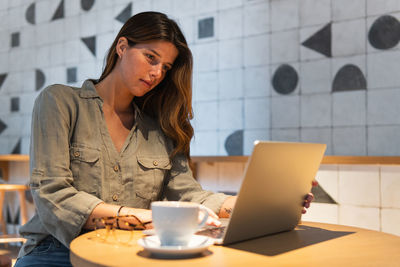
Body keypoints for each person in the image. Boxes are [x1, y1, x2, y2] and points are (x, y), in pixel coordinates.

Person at [14, 12, 315, 266]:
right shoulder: (60, 102)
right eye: (150, 58)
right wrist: (147, 218)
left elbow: (189, 196)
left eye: (166, 67)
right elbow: (53, 193)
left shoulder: (161, 128)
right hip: (55, 253)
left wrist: (263, 203)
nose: (157, 73)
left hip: (127, 253)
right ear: (122, 46)